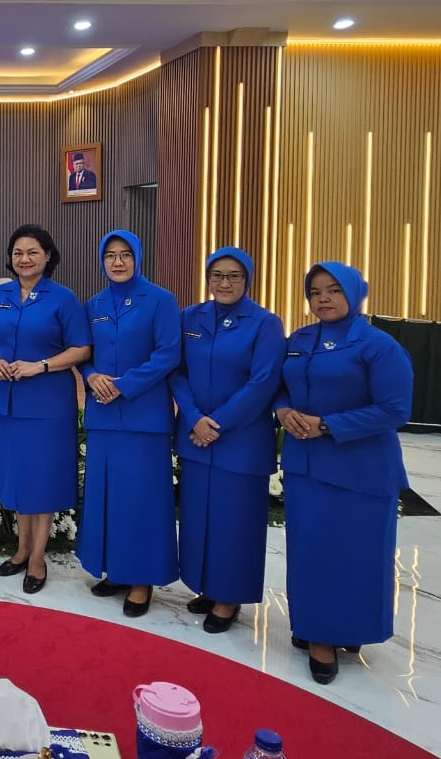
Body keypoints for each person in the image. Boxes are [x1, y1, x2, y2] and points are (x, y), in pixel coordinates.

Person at [274, 261, 413, 684]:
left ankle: (342, 630)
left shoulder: (378, 345)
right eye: (315, 292)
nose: (323, 299)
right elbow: (281, 386)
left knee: (354, 556)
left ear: (354, 293)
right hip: (305, 466)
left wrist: (328, 425)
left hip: (359, 470)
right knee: (310, 551)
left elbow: (395, 409)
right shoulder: (299, 339)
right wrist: (282, 410)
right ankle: (315, 630)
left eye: (333, 290)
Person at [171, 247, 285, 633]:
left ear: (247, 279)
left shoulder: (265, 323)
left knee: (235, 522)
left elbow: (263, 382)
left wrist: (216, 424)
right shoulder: (189, 317)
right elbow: (177, 372)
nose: (224, 282)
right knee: (199, 518)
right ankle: (207, 584)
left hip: (241, 442)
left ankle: (229, 596)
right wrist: (193, 418)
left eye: (234, 275)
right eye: (217, 275)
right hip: (195, 436)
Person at [0, 225, 91, 594]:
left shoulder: (63, 298)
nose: (24, 259)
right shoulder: (1, 295)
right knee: (16, 475)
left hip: (47, 403)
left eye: (32, 252)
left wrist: (39, 366)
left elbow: (81, 349)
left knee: (42, 479)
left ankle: (38, 558)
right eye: (18, 253)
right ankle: (21, 549)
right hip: (6, 401)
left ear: (48, 256)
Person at [78, 229, 181, 617]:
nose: (117, 261)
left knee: (142, 499)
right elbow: (84, 353)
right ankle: (117, 569)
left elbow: (168, 354)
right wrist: (90, 375)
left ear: (138, 257)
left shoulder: (160, 300)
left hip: (144, 418)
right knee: (108, 497)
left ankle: (142, 578)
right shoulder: (94, 303)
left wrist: (124, 386)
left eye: (125, 254)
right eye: (110, 255)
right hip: (104, 417)